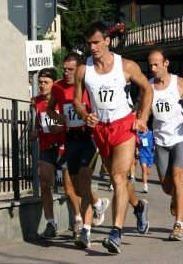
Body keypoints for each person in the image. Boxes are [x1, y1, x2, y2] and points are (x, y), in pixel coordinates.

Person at [73, 20, 153, 254]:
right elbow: (77, 100)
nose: (93, 47)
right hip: (100, 130)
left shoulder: (125, 66)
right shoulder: (83, 70)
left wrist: (143, 117)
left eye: (97, 42)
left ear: (107, 41)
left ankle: (115, 233)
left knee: (118, 178)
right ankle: (139, 208)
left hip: (124, 125)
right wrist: (85, 114)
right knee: (118, 180)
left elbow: (147, 89)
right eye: (89, 43)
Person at [47, 53, 110, 248]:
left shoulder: (90, 86)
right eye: (64, 69)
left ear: (80, 69)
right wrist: (58, 118)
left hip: (89, 139)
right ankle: (98, 203)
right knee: (76, 188)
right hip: (70, 140)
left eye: (70, 69)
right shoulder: (57, 87)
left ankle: (86, 232)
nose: (65, 72)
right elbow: (50, 109)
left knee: (84, 182)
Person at [148, 48, 183, 241]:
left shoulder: (180, 83)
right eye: (150, 65)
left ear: (166, 63)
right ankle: (175, 196)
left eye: (156, 64)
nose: (153, 68)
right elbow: (143, 111)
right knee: (166, 185)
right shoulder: (148, 87)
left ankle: (179, 225)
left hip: (180, 137)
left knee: (178, 180)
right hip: (160, 140)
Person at [30, 67, 80, 239]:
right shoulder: (35, 101)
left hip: (64, 146)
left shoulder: (62, 100)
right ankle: (51, 224)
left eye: (46, 83)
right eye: (40, 82)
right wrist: (35, 132)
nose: (42, 86)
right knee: (45, 185)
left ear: (54, 84)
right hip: (45, 147)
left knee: (69, 188)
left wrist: (60, 128)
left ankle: (78, 220)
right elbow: (39, 120)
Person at [137, 118, 155, 193]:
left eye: (144, 127)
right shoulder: (138, 135)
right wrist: (136, 150)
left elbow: (156, 141)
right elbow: (136, 144)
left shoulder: (151, 133)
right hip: (142, 154)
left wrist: (155, 145)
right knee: (144, 169)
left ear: (146, 127)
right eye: (141, 127)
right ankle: (145, 186)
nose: (143, 128)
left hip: (150, 154)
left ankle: (145, 181)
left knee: (147, 172)